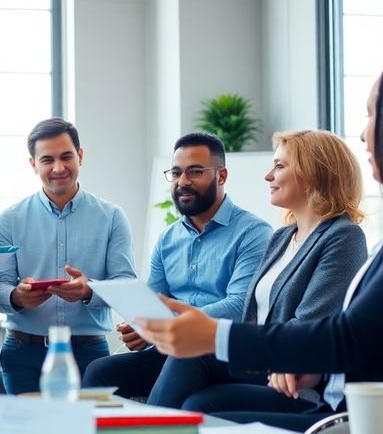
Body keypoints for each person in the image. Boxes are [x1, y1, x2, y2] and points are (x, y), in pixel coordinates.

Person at [136, 44, 383, 431]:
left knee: (206, 427)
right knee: (203, 418)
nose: (364, 133)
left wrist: (213, 334)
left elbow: (354, 336)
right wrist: (319, 366)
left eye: (373, 113)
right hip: (379, 420)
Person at [147, 129, 367, 414]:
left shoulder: (343, 237)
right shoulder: (283, 237)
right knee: (181, 371)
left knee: (198, 390)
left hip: (294, 379)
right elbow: (254, 316)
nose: (268, 176)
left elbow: (313, 326)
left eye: (279, 166)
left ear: (313, 174)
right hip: (259, 364)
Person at [81, 132, 272, 399]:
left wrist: (168, 323)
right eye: (176, 172)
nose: (183, 182)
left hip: (221, 352)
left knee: (183, 362)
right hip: (173, 350)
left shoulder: (254, 234)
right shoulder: (167, 239)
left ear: (221, 176)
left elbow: (239, 306)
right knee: (99, 372)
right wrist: (143, 326)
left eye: (195, 172)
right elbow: (154, 300)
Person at [0, 118, 137, 394]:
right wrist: (17, 297)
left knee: (87, 433)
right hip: (23, 353)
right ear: (33, 165)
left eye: (66, 157)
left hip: (89, 353)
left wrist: (88, 290)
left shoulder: (112, 217)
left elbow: (126, 283)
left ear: (80, 156)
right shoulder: (10, 220)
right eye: (47, 160)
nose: (58, 168)